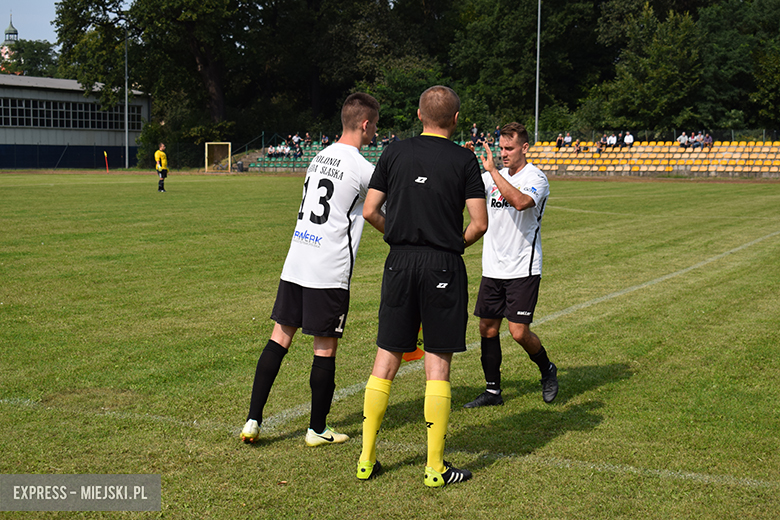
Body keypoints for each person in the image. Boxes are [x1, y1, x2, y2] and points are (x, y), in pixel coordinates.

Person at [356, 85, 488, 488]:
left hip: (399, 261)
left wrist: (396, 236)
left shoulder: (393, 151)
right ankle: (434, 468)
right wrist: (450, 245)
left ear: (418, 114)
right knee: (437, 362)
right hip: (443, 265)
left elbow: (369, 210)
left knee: (386, 359)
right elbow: (479, 223)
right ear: (455, 119)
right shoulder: (465, 159)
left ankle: (365, 459)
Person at [240, 93, 380, 447]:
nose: (376, 132)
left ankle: (253, 420)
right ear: (365, 125)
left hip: (297, 258)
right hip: (328, 267)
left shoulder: (319, 156)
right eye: (375, 125)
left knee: (279, 338)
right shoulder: (364, 168)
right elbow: (383, 207)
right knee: (324, 348)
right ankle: (317, 429)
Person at [464, 122, 558, 410]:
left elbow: (519, 202)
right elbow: (462, 188)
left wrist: (492, 171)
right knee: (487, 329)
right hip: (492, 267)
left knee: (518, 332)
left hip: (523, 268)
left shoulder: (536, 177)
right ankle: (493, 392)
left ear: (525, 147)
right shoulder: (491, 176)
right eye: (501, 148)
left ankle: (548, 370)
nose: (503, 153)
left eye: (509, 148)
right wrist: (467, 162)